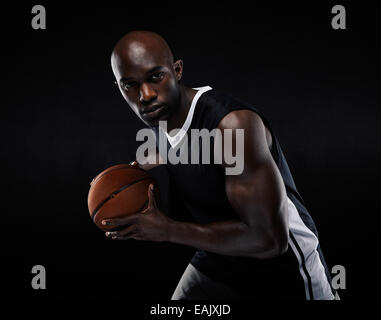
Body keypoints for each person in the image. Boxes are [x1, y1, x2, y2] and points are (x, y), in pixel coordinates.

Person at [104, 30, 336, 300]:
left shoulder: (233, 125)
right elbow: (188, 144)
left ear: (177, 70)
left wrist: (166, 229)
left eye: (156, 76)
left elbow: (269, 239)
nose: (145, 94)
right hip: (220, 256)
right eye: (129, 84)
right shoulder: (161, 117)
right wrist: (133, 172)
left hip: (282, 268)